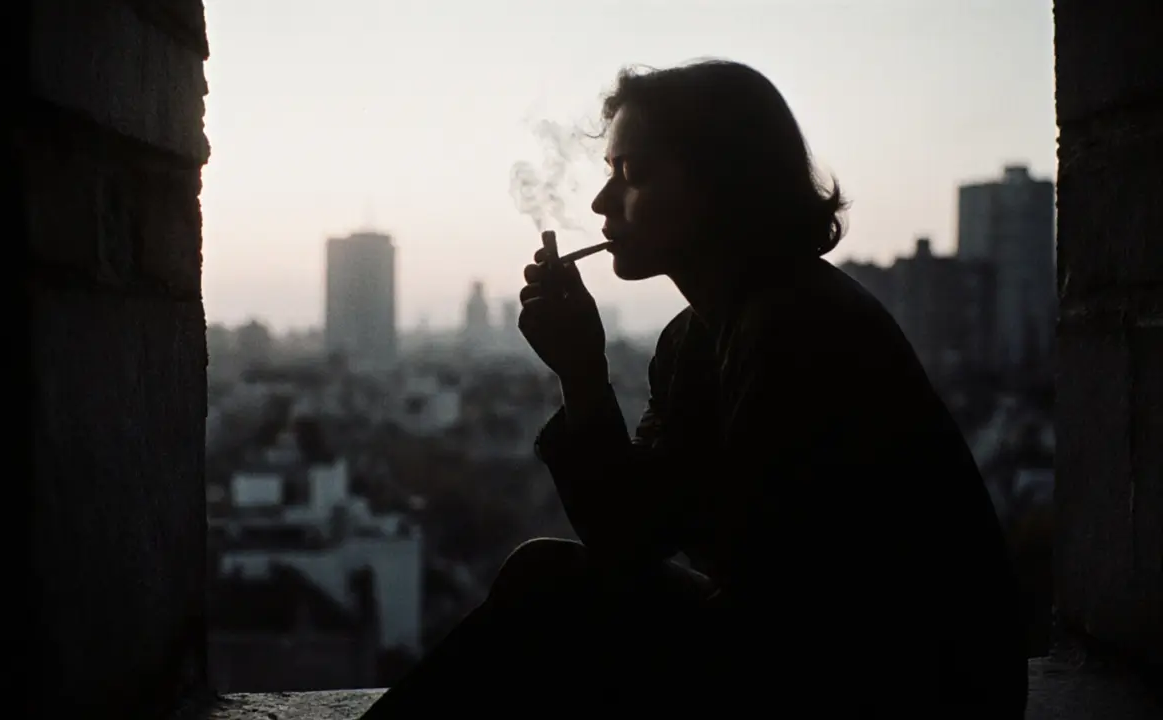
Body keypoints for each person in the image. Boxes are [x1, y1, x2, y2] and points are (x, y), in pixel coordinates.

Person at [361, 59, 1027, 718]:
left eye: (633, 173)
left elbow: (754, 582)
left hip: (896, 686)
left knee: (550, 595)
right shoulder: (699, 336)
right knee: (546, 578)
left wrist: (589, 381)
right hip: (821, 658)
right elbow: (628, 538)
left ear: (723, 184)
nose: (600, 202)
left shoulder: (796, 329)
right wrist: (582, 372)